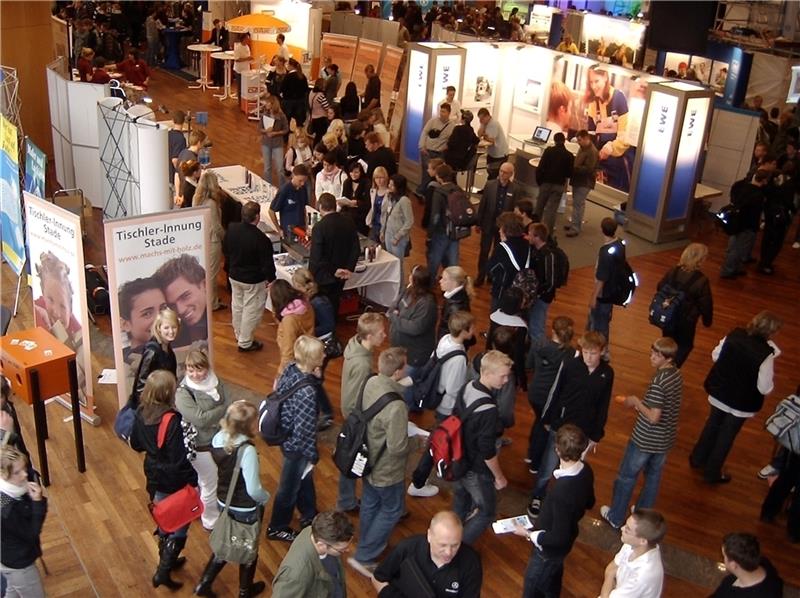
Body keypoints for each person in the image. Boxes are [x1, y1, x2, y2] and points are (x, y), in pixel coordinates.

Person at [690, 311, 782, 484]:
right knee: (727, 434)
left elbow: (715, 355)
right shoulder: (766, 354)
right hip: (741, 402)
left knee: (712, 424)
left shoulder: (734, 335)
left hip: (720, 391)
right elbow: (764, 387)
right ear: (771, 332)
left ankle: (697, 458)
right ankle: (711, 473)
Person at [600, 338, 682, 529]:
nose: (652, 357)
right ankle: (642, 517)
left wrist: (635, 402)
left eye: (657, 355)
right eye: (652, 352)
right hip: (664, 439)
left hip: (645, 439)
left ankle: (616, 516)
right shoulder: (675, 374)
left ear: (667, 358)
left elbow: (653, 417)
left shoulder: (659, 381)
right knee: (653, 478)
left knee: (626, 477)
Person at [529, 331, 613, 517]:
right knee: (548, 464)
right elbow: (555, 391)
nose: (589, 357)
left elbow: (603, 405)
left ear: (602, 352)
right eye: (585, 352)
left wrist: (597, 434)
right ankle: (538, 495)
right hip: (561, 425)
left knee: (574, 468)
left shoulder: (607, 374)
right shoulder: (570, 365)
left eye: (593, 353)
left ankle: (563, 499)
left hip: (584, 430)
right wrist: (548, 419)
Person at [130, 370, 198, 591]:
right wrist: (193, 479)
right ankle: (163, 570)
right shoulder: (171, 419)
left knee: (164, 518)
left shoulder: (141, 412)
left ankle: (166, 557)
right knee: (180, 525)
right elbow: (179, 458)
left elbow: (137, 444)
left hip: (153, 473)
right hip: (173, 478)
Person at [194, 401, 271, 598]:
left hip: (224, 499)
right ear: (248, 426)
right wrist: (265, 498)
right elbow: (253, 489)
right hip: (245, 507)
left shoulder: (218, 438)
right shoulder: (247, 451)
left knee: (226, 540)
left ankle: (203, 584)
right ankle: (245, 591)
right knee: (248, 547)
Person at [513, 424, 595, 598]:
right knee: (551, 581)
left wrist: (529, 534)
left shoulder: (561, 491)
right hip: (566, 542)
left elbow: (558, 537)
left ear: (557, 450)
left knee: (532, 588)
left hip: (547, 550)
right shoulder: (586, 470)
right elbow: (590, 502)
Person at [348, 348, 409, 577]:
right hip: (387, 469)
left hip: (366, 458)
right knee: (392, 509)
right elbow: (397, 447)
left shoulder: (371, 381)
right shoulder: (397, 407)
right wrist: (417, 443)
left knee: (370, 502)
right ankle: (365, 555)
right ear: (397, 372)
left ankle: (366, 539)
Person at [267, 336, 326, 543]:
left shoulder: (291, 368)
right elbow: (304, 431)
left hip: (286, 437)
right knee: (288, 489)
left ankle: (309, 514)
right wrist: (312, 454)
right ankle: (277, 526)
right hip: (296, 447)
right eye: (322, 354)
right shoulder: (307, 393)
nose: (325, 355)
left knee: (303, 478)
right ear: (312, 360)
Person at [452, 350, 511, 544]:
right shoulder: (488, 410)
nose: (506, 380)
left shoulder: (468, 387)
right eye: (503, 376)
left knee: (460, 502)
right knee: (487, 512)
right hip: (476, 469)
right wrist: (499, 476)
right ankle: (458, 548)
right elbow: (487, 450)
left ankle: (451, 537)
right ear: (487, 373)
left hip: (459, 459)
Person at [175, 349, 231, 531]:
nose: (195, 374)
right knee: (210, 482)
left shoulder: (216, 382)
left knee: (208, 480)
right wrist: (221, 409)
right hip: (200, 445)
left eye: (199, 370)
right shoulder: (183, 393)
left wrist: (215, 413)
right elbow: (200, 419)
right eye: (191, 370)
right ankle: (210, 520)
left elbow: (226, 402)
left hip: (217, 440)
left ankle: (204, 508)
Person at [337, 313, 387, 513]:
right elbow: (352, 397)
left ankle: (346, 499)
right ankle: (347, 501)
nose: (385, 335)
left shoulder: (356, 346)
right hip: (356, 419)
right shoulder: (362, 364)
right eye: (381, 332)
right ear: (369, 336)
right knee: (353, 457)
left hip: (353, 417)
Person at [372, 511, 483, 597]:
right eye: (442, 545)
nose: (449, 552)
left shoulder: (470, 563)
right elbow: (378, 578)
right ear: (429, 535)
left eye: (455, 545)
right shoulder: (407, 548)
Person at [223, 201, 276, 353]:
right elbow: (267, 263)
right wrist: (271, 279)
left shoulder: (232, 228)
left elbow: (225, 249)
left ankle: (239, 334)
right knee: (251, 310)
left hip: (234, 275)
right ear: (257, 216)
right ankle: (245, 342)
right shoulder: (261, 239)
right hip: (253, 280)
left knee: (238, 305)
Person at [526, 316, 575, 472]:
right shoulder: (570, 353)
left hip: (534, 392)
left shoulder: (539, 344)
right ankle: (535, 463)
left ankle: (530, 455)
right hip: (550, 397)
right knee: (544, 428)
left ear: (552, 330)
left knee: (539, 422)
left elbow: (529, 365)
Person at [388, 265, 439, 408]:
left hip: (414, 354)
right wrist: (395, 315)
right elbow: (393, 307)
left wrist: (396, 318)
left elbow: (415, 328)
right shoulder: (408, 290)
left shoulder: (427, 304)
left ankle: (410, 408)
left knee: (407, 384)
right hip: (400, 348)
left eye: (412, 275)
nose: (409, 276)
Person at [656, 243, 713, 367]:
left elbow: (660, 287)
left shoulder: (673, 271)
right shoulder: (701, 280)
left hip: (668, 316)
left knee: (668, 342)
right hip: (686, 321)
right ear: (701, 259)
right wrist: (707, 321)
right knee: (685, 345)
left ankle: (663, 364)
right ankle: (671, 368)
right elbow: (705, 303)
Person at [0, 446, 47, 598]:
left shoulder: (12, 490)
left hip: (8, 558)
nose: (24, 475)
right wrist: (38, 503)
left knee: (12, 591)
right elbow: (31, 532)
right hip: (19, 564)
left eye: (24, 468)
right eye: (17, 472)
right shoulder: (6, 509)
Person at [272, 511, 353, 597]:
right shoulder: (296, 576)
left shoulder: (316, 531)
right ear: (321, 545)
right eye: (341, 550)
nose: (348, 550)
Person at [584, 67, 635, 191]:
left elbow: (625, 137)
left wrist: (611, 147)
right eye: (591, 82)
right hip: (602, 161)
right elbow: (591, 133)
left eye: (597, 81)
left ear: (606, 78)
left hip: (620, 161)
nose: (594, 86)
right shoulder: (593, 104)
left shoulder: (619, 98)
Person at [309, 193, 361, 316]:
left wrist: (331, 271)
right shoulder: (348, 221)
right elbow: (356, 248)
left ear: (320, 206)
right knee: (334, 303)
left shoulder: (319, 227)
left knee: (320, 307)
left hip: (323, 275)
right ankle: (332, 329)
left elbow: (317, 256)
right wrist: (348, 268)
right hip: (342, 275)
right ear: (335, 205)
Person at [475, 162, 526, 286]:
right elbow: (483, 205)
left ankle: (492, 276)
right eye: (501, 171)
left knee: (498, 252)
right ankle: (480, 275)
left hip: (504, 228)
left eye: (505, 172)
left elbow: (516, 210)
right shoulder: (490, 185)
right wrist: (478, 222)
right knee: (484, 252)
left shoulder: (516, 189)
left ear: (511, 174)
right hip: (488, 224)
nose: (502, 174)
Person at [599, 509, 666, 598]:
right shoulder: (632, 544)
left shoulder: (643, 575)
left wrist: (610, 576)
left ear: (643, 541)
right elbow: (611, 568)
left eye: (627, 529)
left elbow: (610, 571)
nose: (622, 528)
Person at [720, 170, 769, 279]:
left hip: (736, 222)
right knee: (737, 250)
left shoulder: (743, 188)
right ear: (764, 180)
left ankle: (733, 268)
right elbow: (755, 213)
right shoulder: (758, 195)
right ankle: (728, 271)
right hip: (747, 225)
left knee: (733, 247)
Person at [129, 306, 179, 407]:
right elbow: (141, 383)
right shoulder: (152, 351)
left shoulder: (167, 348)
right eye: (166, 327)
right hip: (151, 403)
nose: (171, 331)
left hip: (163, 397)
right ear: (159, 328)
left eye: (174, 327)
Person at [587, 217, 625, 346]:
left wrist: (594, 297)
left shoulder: (604, 252)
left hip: (603, 294)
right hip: (613, 290)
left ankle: (600, 349)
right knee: (603, 319)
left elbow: (602, 278)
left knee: (599, 322)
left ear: (601, 229)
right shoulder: (619, 244)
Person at [710, 533, 784, 597]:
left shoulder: (729, 591)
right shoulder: (766, 564)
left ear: (733, 565)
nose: (723, 559)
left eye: (724, 556)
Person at [193, 172, 226, 311]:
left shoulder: (197, 200)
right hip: (212, 241)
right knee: (212, 275)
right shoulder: (211, 204)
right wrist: (225, 237)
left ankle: (208, 300)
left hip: (201, 239)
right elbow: (216, 226)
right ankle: (212, 304)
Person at [270, 280, 316, 377]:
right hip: (308, 351)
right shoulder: (305, 304)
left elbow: (288, 348)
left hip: (297, 360)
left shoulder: (289, 320)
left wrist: (281, 372)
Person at [757, 161, 795, 275]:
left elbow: (767, 192)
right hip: (781, 214)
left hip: (769, 212)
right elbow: (788, 201)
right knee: (777, 241)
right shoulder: (790, 183)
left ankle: (763, 261)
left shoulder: (773, 178)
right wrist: (793, 210)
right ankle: (767, 263)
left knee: (767, 237)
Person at [426, 164, 464, 276]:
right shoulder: (458, 189)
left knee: (434, 260)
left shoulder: (439, 192)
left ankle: (430, 285)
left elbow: (435, 216)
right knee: (453, 262)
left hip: (440, 231)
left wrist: (430, 233)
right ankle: (453, 287)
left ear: (438, 177)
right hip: (455, 230)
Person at [486, 213, 530, 310]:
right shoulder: (527, 244)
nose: (499, 230)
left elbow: (491, 269)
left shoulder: (502, 248)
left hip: (503, 292)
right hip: (522, 294)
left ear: (506, 230)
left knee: (498, 321)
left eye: (501, 228)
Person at [535, 132, 574, 235]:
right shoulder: (569, 155)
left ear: (554, 140)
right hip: (559, 185)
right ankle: (547, 234)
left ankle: (534, 229)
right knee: (551, 211)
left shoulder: (548, 151)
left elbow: (540, 167)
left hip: (545, 183)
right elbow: (569, 173)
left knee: (539, 206)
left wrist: (539, 181)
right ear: (564, 140)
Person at [566, 129, 599, 237]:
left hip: (584, 182)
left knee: (578, 204)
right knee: (578, 203)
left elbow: (589, 169)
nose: (578, 142)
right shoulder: (583, 148)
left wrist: (574, 168)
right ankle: (575, 224)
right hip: (578, 180)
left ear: (586, 138)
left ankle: (575, 228)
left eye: (580, 140)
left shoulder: (592, 152)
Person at [381, 174, 414, 281]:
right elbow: (385, 215)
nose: (389, 186)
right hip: (388, 234)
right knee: (390, 262)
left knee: (397, 264)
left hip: (398, 239)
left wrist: (398, 237)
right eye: (389, 184)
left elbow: (409, 221)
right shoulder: (391, 197)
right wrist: (383, 231)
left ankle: (399, 288)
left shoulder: (404, 200)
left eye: (392, 185)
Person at [527, 223, 557, 343]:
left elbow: (550, 281)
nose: (528, 237)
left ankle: (540, 355)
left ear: (537, 237)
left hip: (541, 297)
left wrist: (538, 294)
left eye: (530, 234)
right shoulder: (538, 251)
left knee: (537, 327)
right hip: (538, 295)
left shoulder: (547, 255)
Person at [417, 103, 454, 195]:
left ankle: (432, 192)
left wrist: (447, 146)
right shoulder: (432, 121)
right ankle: (423, 191)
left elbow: (451, 139)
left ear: (449, 113)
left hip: (439, 153)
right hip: (428, 151)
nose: (441, 113)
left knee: (438, 174)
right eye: (441, 111)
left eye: (444, 112)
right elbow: (424, 132)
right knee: (427, 173)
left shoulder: (451, 125)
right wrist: (422, 146)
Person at [269, 164, 310, 238]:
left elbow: (304, 208)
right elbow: (271, 211)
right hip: (288, 232)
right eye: (300, 180)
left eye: (304, 181)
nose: (302, 183)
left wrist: (306, 226)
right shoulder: (285, 190)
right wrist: (279, 229)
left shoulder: (303, 189)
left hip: (301, 230)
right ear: (293, 176)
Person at [261, 96, 290, 188]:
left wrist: (276, 133)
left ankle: (282, 188)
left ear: (273, 104)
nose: (266, 104)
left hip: (278, 143)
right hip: (266, 143)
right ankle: (267, 187)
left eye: (268, 103)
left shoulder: (282, 116)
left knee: (280, 168)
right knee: (267, 168)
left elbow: (286, 129)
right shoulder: (265, 115)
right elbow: (259, 128)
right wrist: (266, 131)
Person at [438, 265, 474, 340]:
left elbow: (450, 331)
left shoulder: (455, 307)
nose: (440, 281)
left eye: (444, 279)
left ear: (454, 282)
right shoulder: (460, 295)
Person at [340, 161, 371, 236]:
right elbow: (344, 197)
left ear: (361, 172)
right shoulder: (347, 182)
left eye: (356, 172)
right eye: (351, 172)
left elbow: (368, 204)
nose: (353, 174)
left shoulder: (367, 183)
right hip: (347, 216)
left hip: (361, 218)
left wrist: (357, 203)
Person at [477, 107, 509, 180]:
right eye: (479, 119)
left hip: (499, 154)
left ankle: (490, 189)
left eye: (482, 119)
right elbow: (479, 134)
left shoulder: (493, 124)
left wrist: (484, 136)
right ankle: (488, 188)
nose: (480, 120)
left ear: (487, 116)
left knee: (494, 174)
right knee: (490, 171)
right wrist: (482, 125)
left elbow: (491, 140)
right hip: (492, 153)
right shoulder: (485, 123)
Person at [174, 129, 206, 195]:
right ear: (199, 143)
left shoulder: (183, 152)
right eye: (204, 142)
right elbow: (192, 179)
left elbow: (177, 174)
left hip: (182, 193)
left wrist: (177, 194)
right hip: (190, 194)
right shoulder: (192, 159)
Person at [366, 166, 390, 241]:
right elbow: (372, 207)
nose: (379, 180)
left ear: (385, 178)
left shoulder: (389, 193)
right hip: (374, 224)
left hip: (385, 225)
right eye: (376, 178)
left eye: (381, 177)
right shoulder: (373, 191)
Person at [308, 78, 332, 147]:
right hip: (321, 119)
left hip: (313, 116)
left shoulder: (311, 92)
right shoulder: (320, 96)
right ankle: (317, 148)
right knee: (319, 136)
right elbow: (327, 107)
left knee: (316, 136)